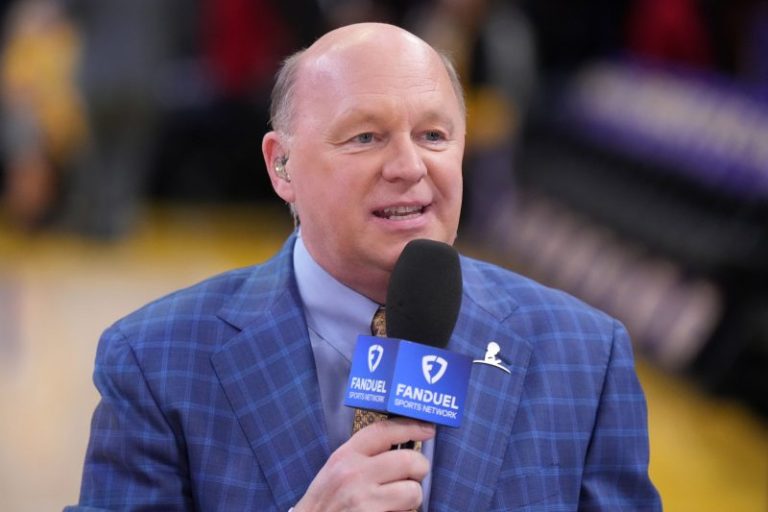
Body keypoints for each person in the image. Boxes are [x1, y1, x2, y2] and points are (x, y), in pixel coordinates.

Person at [66, 23, 661, 511]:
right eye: (365, 137)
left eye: (433, 135)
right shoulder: (156, 362)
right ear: (282, 166)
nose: (408, 166)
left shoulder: (586, 355)